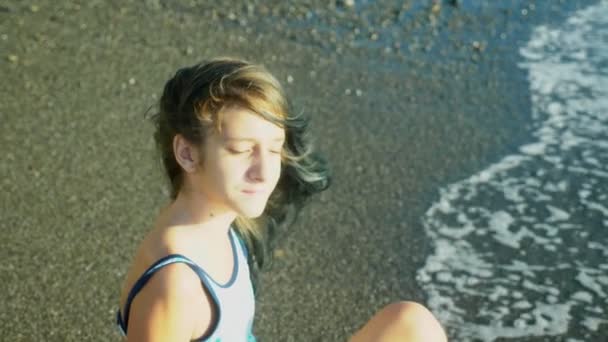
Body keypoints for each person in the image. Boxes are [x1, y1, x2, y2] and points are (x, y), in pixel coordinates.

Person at [116, 58, 448, 341]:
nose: (264, 172)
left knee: (411, 323)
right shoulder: (175, 285)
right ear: (187, 153)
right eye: (243, 150)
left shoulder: (220, 223)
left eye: (274, 149)